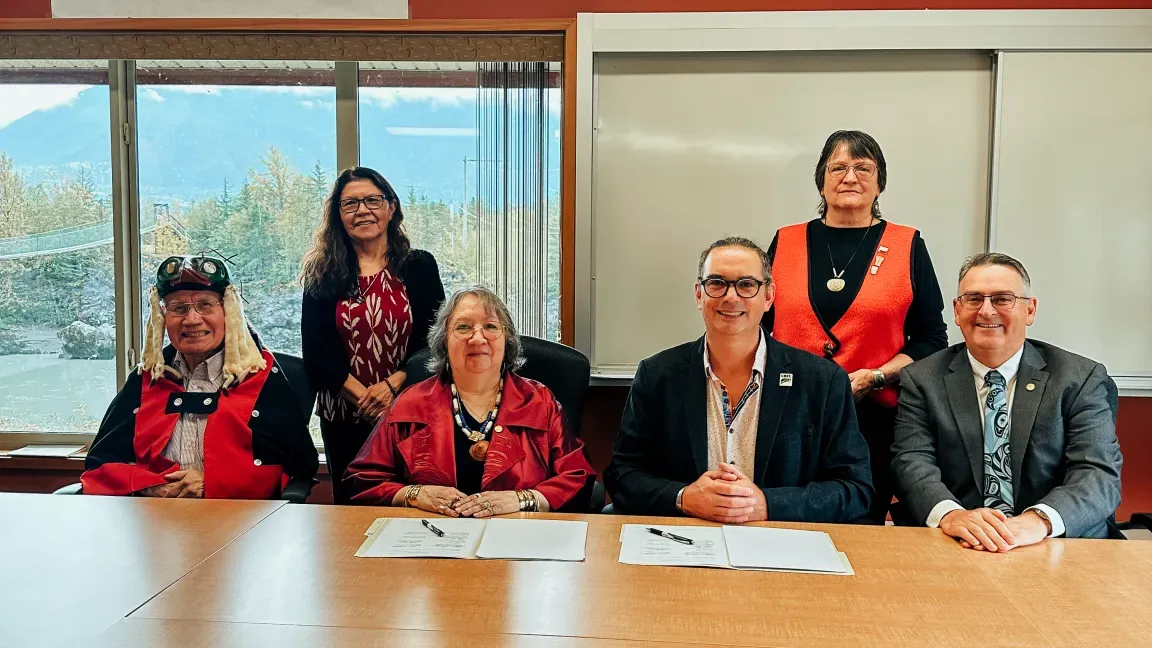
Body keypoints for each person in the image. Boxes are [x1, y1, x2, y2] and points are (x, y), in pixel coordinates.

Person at [604, 237, 873, 523]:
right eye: (717, 283)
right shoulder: (657, 375)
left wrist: (767, 504)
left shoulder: (822, 381)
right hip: (685, 540)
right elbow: (622, 474)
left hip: (781, 543)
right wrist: (683, 497)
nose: (730, 297)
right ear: (699, 295)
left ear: (768, 296)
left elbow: (855, 489)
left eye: (746, 284)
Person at [764, 130, 948, 524]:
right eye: (839, 168)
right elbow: (757, 326)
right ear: (822, 179)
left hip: (874, 421)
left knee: (860, 529)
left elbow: (932, 339)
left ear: (880, 181)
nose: (850, 177)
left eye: (863, 168)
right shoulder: (785, 241)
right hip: (789, 415)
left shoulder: (907, 244)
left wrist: (877, 377)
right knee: (783, 519)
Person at [892, 252, 1122, 549]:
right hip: (958, 543)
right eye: (974, 299)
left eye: (1002, 299)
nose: (986, 311)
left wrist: (1039, 521)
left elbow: (1097, 472)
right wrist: (951, 514)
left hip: (1055, 544)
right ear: (957, 311)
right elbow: (911, 461)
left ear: (1030, 310)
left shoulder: (1079, 378)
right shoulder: (922, 379)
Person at [344, 286, 596, 516]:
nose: (478, 338)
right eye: (463, 327)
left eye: (490, 327)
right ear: (444, 340)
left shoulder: (539, 401)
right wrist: (415, 494)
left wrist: (524, 499)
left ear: (506, 340)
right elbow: (362, 480)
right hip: (429, 542)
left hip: (518, 544)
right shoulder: (410, 403)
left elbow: (578, 477)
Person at [82, 255, 318, 498]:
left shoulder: (262, 376)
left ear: (228, 312)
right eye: (178, 308)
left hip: (241, 520)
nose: (192, 319)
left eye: (205, 305)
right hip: (152, 517)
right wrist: (149, 485)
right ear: (163, 317)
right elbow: (101, 463)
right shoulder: (146, 380)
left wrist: (213, 483)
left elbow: (296, 467)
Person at [300, 167, 446, 504]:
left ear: (391, 207)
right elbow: (317, 351)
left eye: (372, 200)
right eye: (350, 204)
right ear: (338, 214)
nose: (362, 211)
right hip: (343, 416)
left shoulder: (418, 266)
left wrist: (394, 388)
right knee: (354, 507)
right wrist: (366, 401)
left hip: (411, 412)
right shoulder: (323, 271)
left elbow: (434, 341)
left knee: (414, 502)